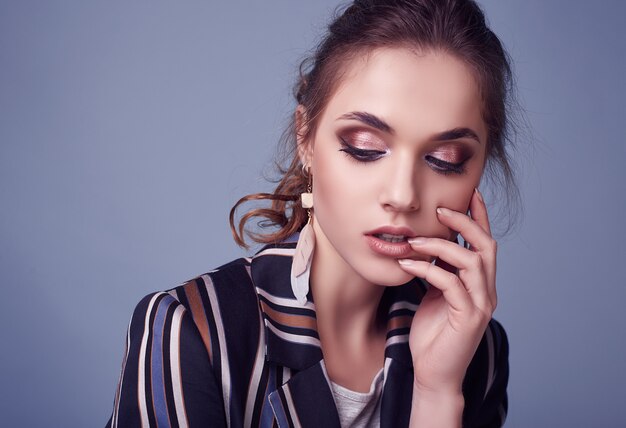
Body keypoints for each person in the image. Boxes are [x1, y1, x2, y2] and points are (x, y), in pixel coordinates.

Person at [106, 0, 517, 426]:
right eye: (366, 148)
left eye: (445, 159)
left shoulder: (475, 349)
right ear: (306, 138)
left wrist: (437, 394)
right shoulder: (192, 331)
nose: (402, 195)